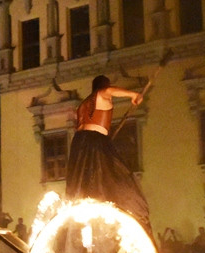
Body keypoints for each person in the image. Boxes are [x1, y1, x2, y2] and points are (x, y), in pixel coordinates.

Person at [64, 75, 151, 235]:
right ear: (103, 86)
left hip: (80, 144)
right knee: (118, 177)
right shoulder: (102, 94)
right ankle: (134, 211)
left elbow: (90, 125)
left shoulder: (85, 104)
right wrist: (133, 95)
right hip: (94, 141)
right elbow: (109, 91)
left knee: (87, 184)